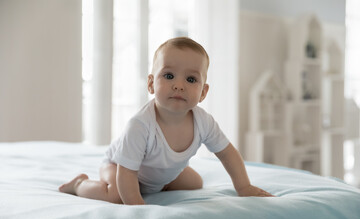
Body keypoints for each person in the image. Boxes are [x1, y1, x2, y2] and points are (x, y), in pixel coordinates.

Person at [59, 37, 274, 204]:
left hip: (159, 174)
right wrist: (136, 205)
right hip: (120, 167)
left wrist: (244, 187)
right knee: (115, 195)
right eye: (169, 76)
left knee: (195, 183)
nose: (179, 85)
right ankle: (79, 184)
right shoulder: (141, 124)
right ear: (151, 84)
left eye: (191, 79)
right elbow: (127, 173)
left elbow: (228, 154)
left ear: (203, 92)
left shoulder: (203, 122)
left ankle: (160, 185)